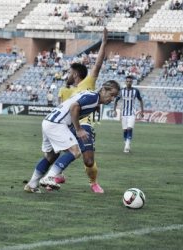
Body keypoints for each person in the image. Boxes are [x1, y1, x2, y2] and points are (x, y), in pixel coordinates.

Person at [24, 80, 120, 193]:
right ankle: (49, 177)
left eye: (115, 97)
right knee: (75, 151)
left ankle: (31, 185)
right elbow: (74, 107)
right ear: (103, 90)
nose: (112, 99)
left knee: (51, 156)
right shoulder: (94, 98)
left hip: (48, 121)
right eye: (111, 95)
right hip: (57, 124)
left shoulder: (90, 95)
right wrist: (78, 129)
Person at [59, 27, 109, 193]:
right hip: (67, 125)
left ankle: (93, 182)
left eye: (68, 72)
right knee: (54, 151)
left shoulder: (88, 83)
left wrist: (103, 42)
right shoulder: (68, 91)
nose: (66, 75)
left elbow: (99, 63)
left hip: (84, 125)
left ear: (74, 74)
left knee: (88, 161)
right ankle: (57, 174)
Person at [113, 75, 144, 153]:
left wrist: (142, 110)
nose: (129, 83)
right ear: (125, 82)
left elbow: (140, 100)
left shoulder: (136, 91)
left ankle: (126, 146)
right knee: (125, 130)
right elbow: (116, 100)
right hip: (124, 113)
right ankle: (127, 144)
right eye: (127, 81)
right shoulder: (122, 91)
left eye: (130, 81)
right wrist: (115, 110)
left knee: (130, 128)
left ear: (132, 82)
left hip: (132, 113)